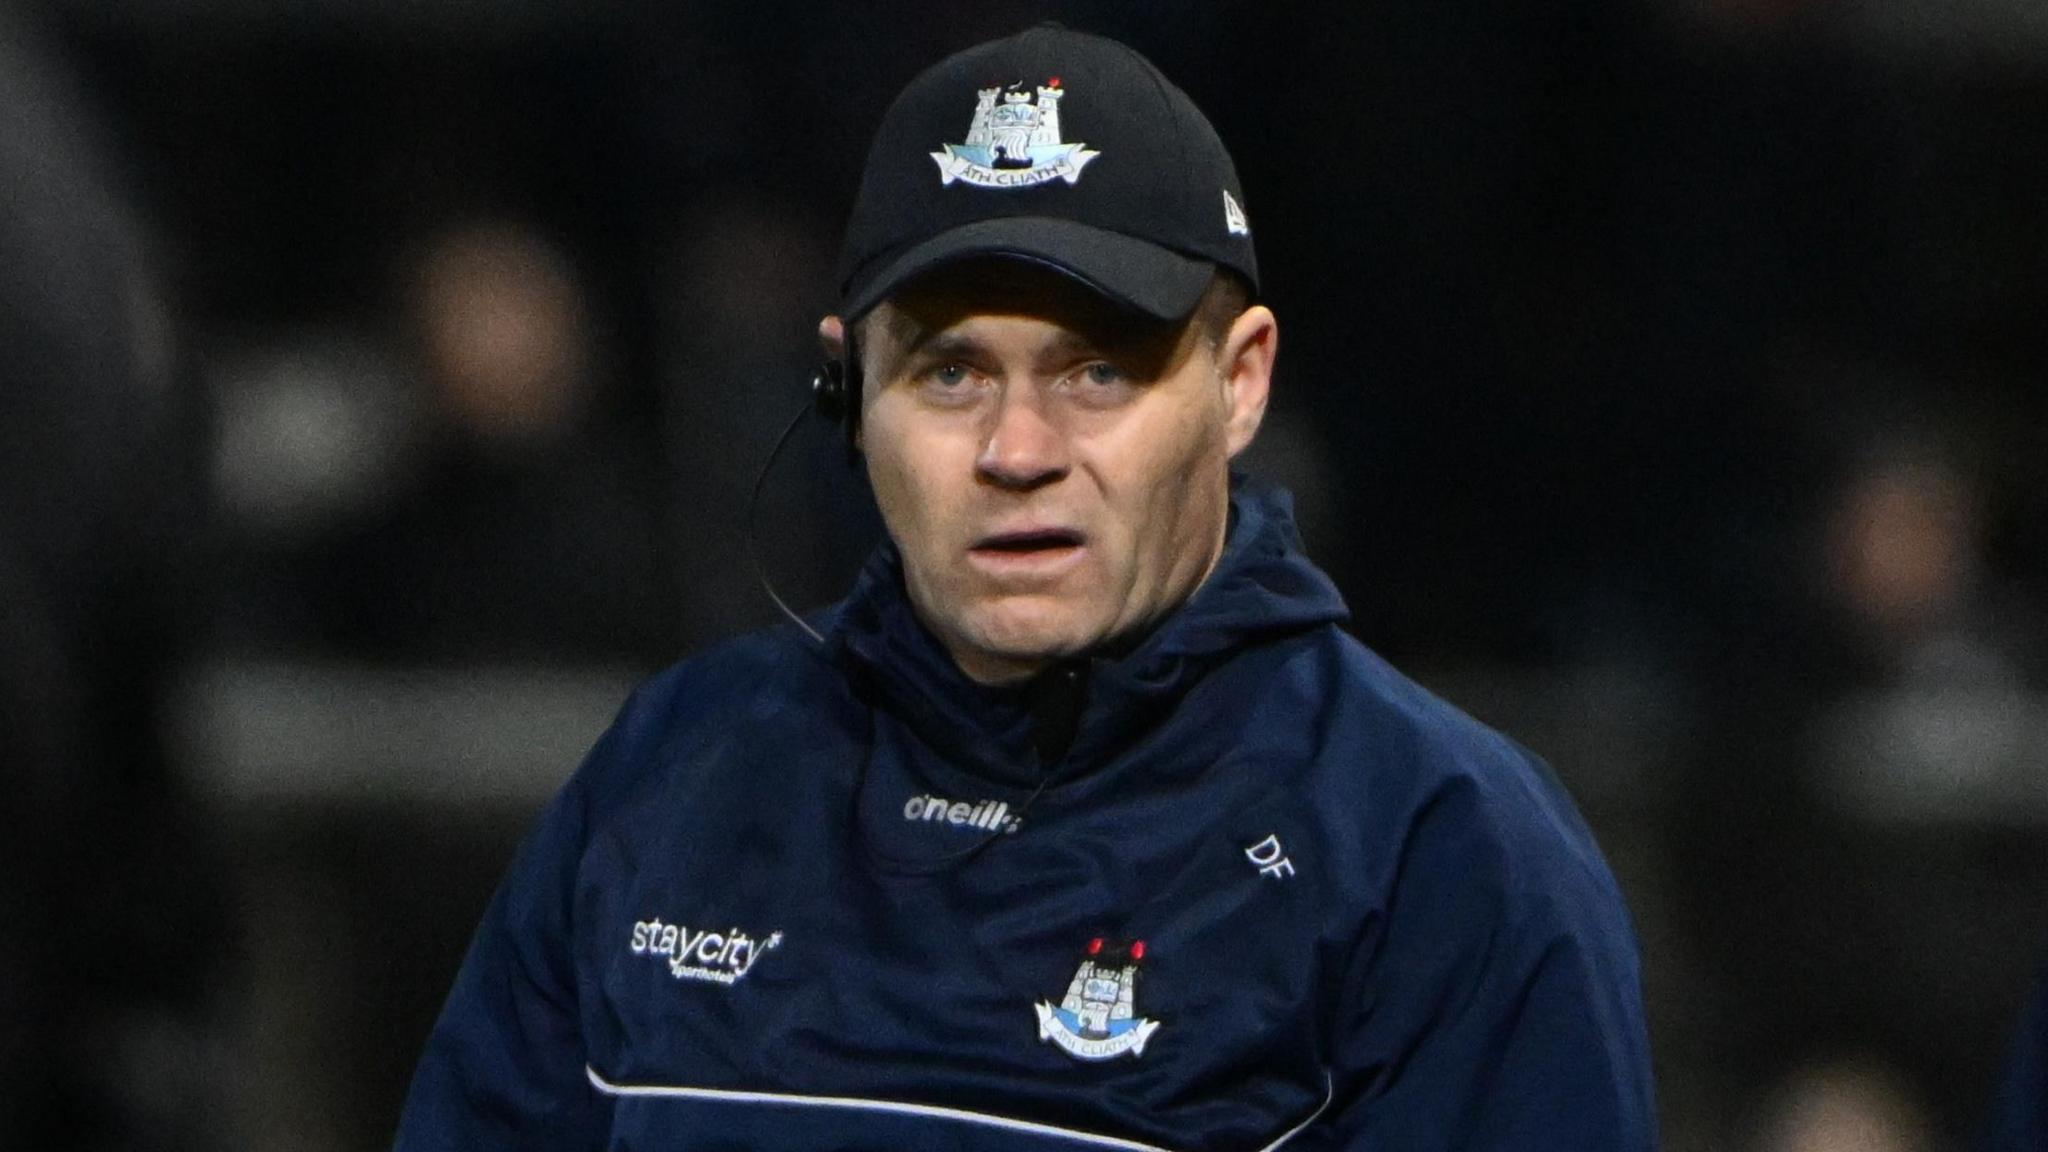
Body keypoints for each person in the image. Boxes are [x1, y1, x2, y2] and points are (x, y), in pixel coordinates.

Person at [394, 24, 1655, 1150]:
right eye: (949, 374)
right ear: (843, 387)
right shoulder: (673, 774)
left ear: (1241, 382)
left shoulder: (1433, 850)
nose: (1017, 450)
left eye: (1096, 372)